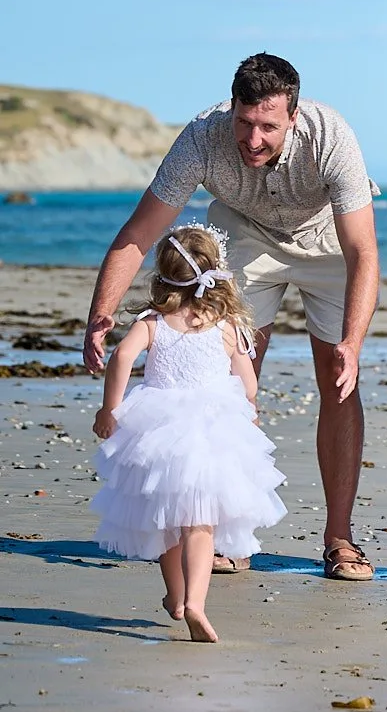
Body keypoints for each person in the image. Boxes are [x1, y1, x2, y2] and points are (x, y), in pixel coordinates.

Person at [83, 53, 379, 582]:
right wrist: (100, 315)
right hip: (245, 234)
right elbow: (139, 233)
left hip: (327, 240)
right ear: (232, 110)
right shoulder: (201, 137)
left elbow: (364, 251)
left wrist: (352, 343)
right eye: (245, 123)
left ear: (293, 116)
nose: (254, 138)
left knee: (337, 379)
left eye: (269, 126)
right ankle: (225, 536)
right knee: (228, 375)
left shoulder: (330, 135)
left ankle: (340, 538)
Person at [91, 225, 287, 642]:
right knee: (202, 523)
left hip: (159, 430)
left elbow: (121, 359)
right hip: (214, 433)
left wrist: (111, 409)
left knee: (166, 521)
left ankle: (176, 598)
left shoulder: (153, 323)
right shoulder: (226, 324)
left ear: (162, 275)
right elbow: (248, 382)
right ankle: (197, 602)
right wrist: (248, 409)